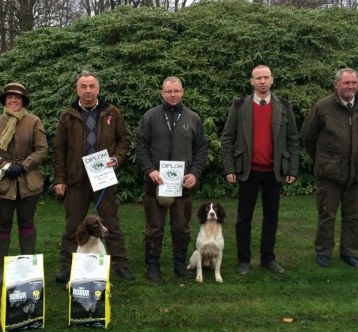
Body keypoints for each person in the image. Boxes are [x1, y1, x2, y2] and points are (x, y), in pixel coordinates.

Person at [53, 71, 134, 283]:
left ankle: (120, 264)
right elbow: (59, 149)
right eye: (83, 87)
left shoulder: (111, 113)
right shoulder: (68, 115)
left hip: (103, 178)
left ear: (98, 89)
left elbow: (124, 139)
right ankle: (67, 266)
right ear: (77, 89)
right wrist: (59, 179)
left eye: (91, 86)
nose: (88, 91)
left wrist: (116, 159)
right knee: (73, 225)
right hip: (76, 179)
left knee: (111, 223)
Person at [221, 65, 299, 275]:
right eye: (258, 78)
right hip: (248, 170)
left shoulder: (283, 105)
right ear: (252, 82)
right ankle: (243, 260)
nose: (262, 81)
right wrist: (229, 167)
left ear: (272, 80)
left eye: (266, 77)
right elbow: (227, 138)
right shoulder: (239, 106)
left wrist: (292, 168)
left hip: (274, 171)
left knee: (271, 216)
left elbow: (292, 139)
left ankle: (268, 258)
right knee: (244, 217)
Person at [135, 76, 208, 282]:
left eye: (176, 91)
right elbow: (140, 146)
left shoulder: (193, 118)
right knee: (154, 227)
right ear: (162, 93)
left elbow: (201, 148)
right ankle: (152, 264)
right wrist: (150, 170)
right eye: (169, 91)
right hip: (155, 183)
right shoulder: (150, 117)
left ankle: (179, 263)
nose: (173, 94)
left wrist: (195, 172)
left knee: (181, 226)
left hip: (182, 184)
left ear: (183, 92)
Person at [0, 82, 47, 285]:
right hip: (2, 182)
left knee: (26, 222)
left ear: (23, 100)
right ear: (5, 101)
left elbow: (42, 150)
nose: (14, 100)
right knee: (2, 223)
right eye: (10, 97)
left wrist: (24, 166)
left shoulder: (33, 121)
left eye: (17, 98)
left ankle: (27, 265)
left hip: (29, 182)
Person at [301, 68, 358, 268]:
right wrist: (322, 159)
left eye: (354, 83)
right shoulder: (322, 107)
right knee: (326, 214)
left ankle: (350, 253)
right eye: (346, 83)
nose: (351, 87)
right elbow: (307, 137)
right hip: (330, 173)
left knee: (353, 217)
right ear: (336, 84)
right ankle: (323, 252)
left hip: (356, 171)